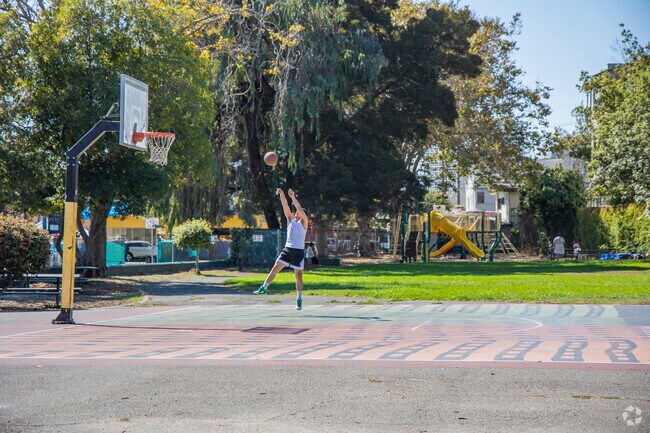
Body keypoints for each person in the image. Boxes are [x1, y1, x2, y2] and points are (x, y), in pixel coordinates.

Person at [254, 188, 308, 311]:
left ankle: (299, 299)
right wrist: (282, 195)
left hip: (298, 252)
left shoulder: (304, 222)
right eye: (296, 212)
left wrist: (293, 196)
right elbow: (286, 207)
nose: (296, 212)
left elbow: (299, 209)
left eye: (299, 212)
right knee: (275, 267)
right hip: (288, 249)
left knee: (298, 276)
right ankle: (264, 287)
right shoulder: (291, 220)